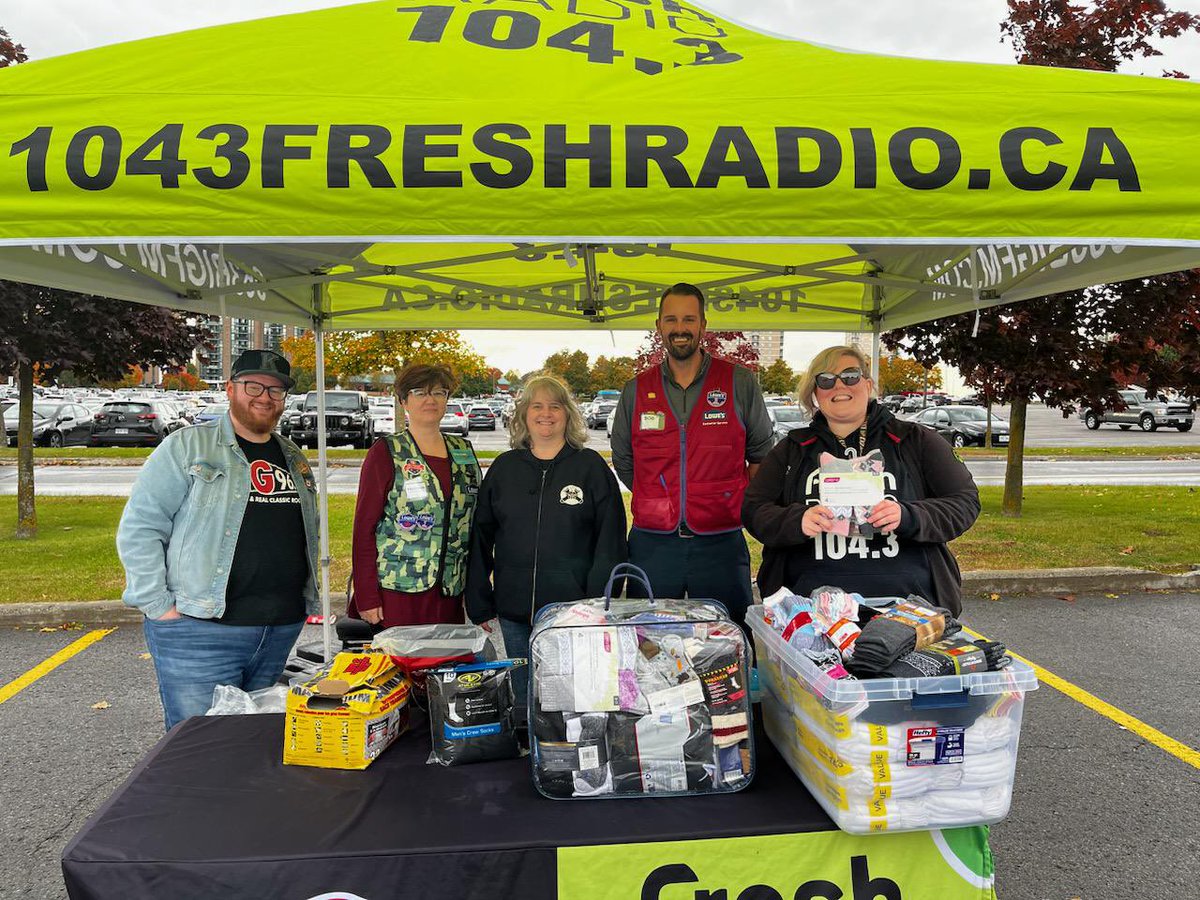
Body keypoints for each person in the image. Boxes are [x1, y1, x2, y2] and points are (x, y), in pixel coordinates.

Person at [117, 349, 319, 730]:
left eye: (276, 390)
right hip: (200, 631)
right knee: (199, 749)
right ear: (230, 389)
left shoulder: (292, 456)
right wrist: (159, 607)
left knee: (254, 745)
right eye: (254, 385)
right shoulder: (187, 447)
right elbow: (141, 527)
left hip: (279, 629)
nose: (265, 397)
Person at [742, 346, 980, 616]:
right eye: (826, 380)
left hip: (910, 608)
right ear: (815, 393)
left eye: (850, 376)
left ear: (868, 384)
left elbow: (964, 502)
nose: (839, 385)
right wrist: (797, 521)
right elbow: (754, 510)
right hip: (810, 612)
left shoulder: (916, 440)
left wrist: (909, 515)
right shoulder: (791, 450)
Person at [610, 283, 774, 625]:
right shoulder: (636, 389)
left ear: (703, 324)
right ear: (659, 326)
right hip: (653, 545)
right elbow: (625, 459)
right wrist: (658, 493)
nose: (679, 328)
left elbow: (761, 455)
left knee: (730, 641)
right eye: (671, 319)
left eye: (689, 319)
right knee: (649, 642)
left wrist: (735, 501)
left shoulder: (739, 382)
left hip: (720, 543)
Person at [466, 374, 627, 702]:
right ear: (524, 414)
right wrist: (479, 600)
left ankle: (565, 751)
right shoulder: (504, 468)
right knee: (524, 693)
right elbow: (480, 535)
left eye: (555, 406)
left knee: (569, 696)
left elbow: (610, 539)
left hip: (572, 611)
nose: (546, 413)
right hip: (514, 609)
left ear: (568, 413)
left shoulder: (590, 467)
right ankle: (527, 747)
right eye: (536, 406)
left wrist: (596, 601)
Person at [348, 364, 481, 629]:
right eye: (420, 392)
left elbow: (475, 524)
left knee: (446, 667)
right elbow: (364, 528)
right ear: (403, 401)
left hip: (450, 592)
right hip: (399, 591)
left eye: (439, 393)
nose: (430, 400)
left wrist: (475, 591)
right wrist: (367, 595)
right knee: (403, 668)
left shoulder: (463, 451)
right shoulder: (387, 452)